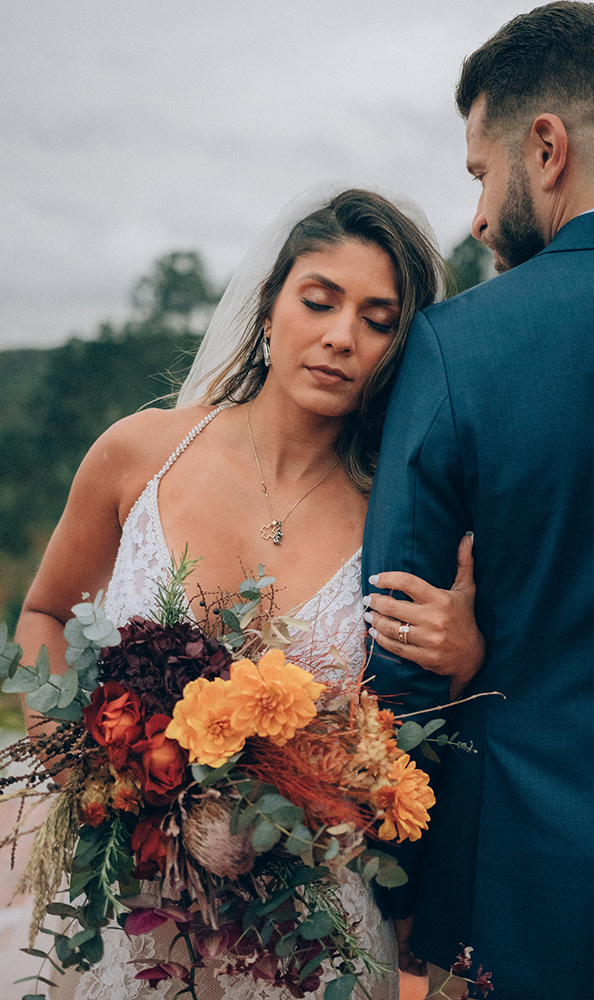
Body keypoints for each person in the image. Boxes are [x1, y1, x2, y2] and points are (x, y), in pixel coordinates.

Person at [14, 186, 483, 1000]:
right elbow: (46, 612)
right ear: (269, 309)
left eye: (377, 321)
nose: (340, 336)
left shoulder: (403, 520)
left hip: (311, 940)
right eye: (319, 300)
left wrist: (467, 654)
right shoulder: (139, 453)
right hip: (135, 914)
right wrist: (84, 771)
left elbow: (423, 729)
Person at [362, 4, 594, 998]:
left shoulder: (459, 348)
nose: (482, 217)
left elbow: (400, 663)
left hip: (535, 896)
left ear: (546, 148)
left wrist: (398, 898)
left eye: (479, 175)